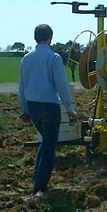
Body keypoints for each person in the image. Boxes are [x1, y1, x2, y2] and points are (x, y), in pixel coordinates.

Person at [19, 24, 79, 195]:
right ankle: (40, 186)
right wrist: (69, 108)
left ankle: (37, 177)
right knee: (49, 147)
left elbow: (22, 86)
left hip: (33, 106)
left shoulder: (26, 59)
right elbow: (61, 85)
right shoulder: (54, 58)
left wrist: (25, 109)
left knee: (45, 142)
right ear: (50, 37)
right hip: (49, 107)